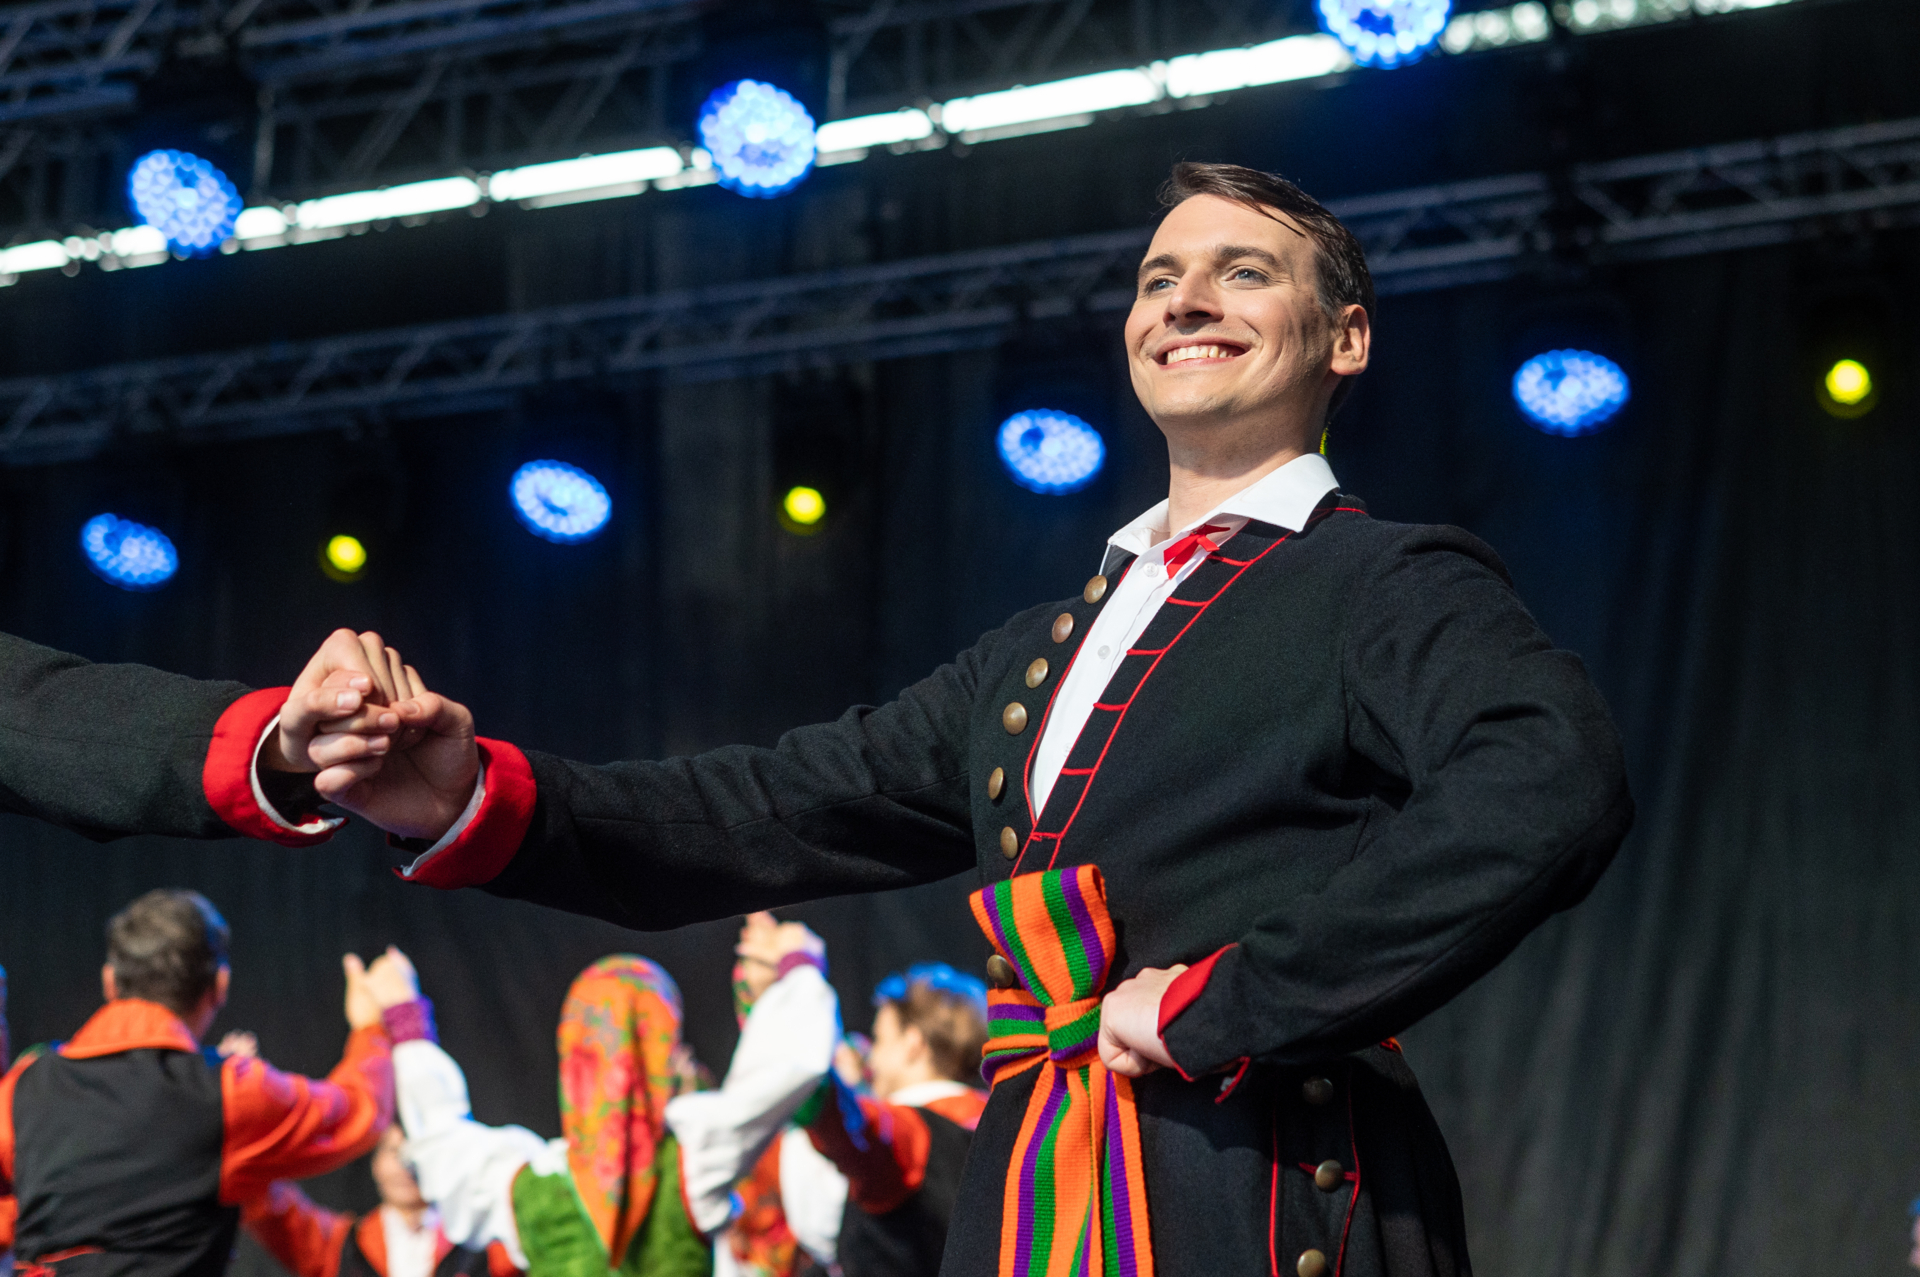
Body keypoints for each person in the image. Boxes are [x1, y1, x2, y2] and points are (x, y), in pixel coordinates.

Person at [254, 162, 1635, 1277]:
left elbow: (1550, 779)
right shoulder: (1044, 650)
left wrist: (1231, 1002)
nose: (1186, 299)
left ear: (1346, 337)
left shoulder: (1381, 579)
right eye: (1158, 278)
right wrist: (473, 796)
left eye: (1244, 272)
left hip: (1252, 1190)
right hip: (1036, 1193)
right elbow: (770, 808)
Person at [373, 944, 840, 1277]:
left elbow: (440, 1140)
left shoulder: (524, 1186)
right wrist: (796, 966)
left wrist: (406, 1018)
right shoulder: (690, 1164)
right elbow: (782, 1075)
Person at [0, 890, 395, 1277]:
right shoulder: (227, 1093)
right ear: (220, 986)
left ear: (109, 982)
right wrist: (372, 1027)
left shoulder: (24, 1086)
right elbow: (358, 1111)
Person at [801, 957, 988, 1277]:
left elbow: (857, 1129)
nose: (871, 1057)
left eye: (879, 1040)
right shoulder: (996, 1120)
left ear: (913, 1043)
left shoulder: (913, 1128)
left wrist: (810, 1077)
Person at [242, 1126, 520, 1277]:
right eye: (394, 1152)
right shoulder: (343, 1245)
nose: (406, 1167)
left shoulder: (479, 1247)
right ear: (375, 1164)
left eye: (415, 1155)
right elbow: (271, 1206)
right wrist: (246, 1122)